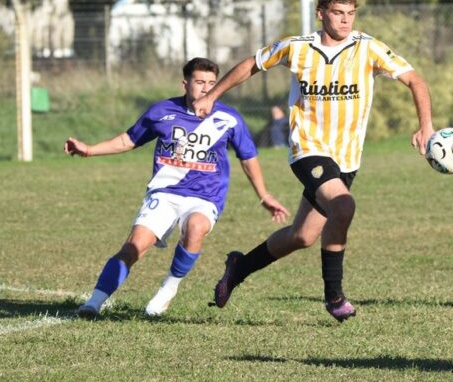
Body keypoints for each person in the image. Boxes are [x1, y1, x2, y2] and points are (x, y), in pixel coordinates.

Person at [192, 0, 434, 322]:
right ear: (321, 14)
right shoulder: (297, 48)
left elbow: (416, 81)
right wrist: (212, 95)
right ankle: (334, 296)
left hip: (346, 157)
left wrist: (426, 126)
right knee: (343, 206)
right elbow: (251, 64)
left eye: (351, 14)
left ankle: (239, 267)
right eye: (338, 13)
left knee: (303, 235)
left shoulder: (368, 48)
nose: (346, 21)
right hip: (307, 148)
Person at [65, 57, 290, 319]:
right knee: (134, 247)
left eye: (211, 83)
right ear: (185, 84)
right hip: (165, 193)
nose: (206, 88)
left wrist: (264, 195)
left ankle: (168, 289)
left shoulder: (229, 118)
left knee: (195, 228)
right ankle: (93, 303)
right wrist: (89, 150)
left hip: (205, 197)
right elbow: (128, 140)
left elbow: (248, 157)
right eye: (199, 82)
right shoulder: (162, 111)